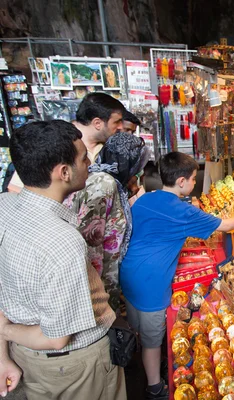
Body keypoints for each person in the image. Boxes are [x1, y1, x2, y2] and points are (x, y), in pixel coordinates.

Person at [119, 151, 234, 399]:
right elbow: (226, 225)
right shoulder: (181, 210)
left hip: (129, 273)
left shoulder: (147, 198)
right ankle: (154, 387)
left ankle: (141, 356)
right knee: (153, 343)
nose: (195, 183)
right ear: (182, 182)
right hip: (151, 283)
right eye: (194, 179)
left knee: (140, 328)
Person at [0, 121, 125, 399]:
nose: (90, 163)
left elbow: (3, 292)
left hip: (26, 357)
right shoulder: (62, 241)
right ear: (64, 172)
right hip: (74, 367)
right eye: (84, 158)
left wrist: (3, 354)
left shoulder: (4, 206)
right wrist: (6, 330)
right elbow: (57, 337)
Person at [66, 132, 150, 311]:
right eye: (138, 166)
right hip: (96, 286)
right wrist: (99, 295)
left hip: (104, 279)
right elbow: (90, 243)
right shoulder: (103, 184)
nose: (139, 172)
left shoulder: (108, 180)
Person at [8, 92, 125, 193]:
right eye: (117, 122)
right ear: (97, 123)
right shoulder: (52, 142)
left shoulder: (110, 149)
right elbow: (16, 189)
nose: (121, 127)